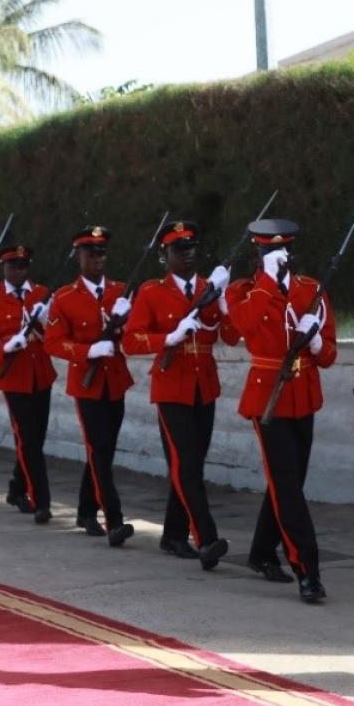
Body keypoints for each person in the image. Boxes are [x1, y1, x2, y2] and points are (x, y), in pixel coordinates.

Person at [229, 218, 337, 604]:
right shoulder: (243, 291)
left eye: (283, 250)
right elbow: (238, 326)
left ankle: (261, 551)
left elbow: (330, 355)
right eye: (268, 252)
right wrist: (268, 285)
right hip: (267, 397)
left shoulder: (311, 289)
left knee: (288, 483)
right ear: (258, 255)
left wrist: (317, 343)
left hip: (304, 393)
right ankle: (307, 570)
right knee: (288, 487)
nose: (279, 257)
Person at [122, 220, 234, 569]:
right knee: (186, 466)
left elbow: (229, 336)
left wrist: (225, 301)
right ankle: (206, 538)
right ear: (165, 255)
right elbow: (130, 340)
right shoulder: (152, 292)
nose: (187, 254)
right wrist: (168, 338)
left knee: (189, 466)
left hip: (204, 386)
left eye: (191, 248)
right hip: (171, 387)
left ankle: (172, 534)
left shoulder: (209, 288)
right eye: (179, 249)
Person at [45, 225, 136, 546]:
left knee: (104, 452)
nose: (97, 259)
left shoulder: (121, 291)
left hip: (116, 382)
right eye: (90, 253)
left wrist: (127, 320)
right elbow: (53, 343)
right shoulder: (65, 297)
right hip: (87, 385)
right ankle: (114, 520)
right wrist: (88, 351)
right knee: (98, 451)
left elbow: (134, 338)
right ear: (78, 256)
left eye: (101, 253)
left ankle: (85, 510)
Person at [0, 244, 57, 523]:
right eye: (13, 266)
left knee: (36, 439)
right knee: (28, 440)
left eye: (23, 266)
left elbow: (57, 331)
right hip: (14, 377)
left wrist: (47, 322)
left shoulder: (43, 294)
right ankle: (40, 500)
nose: (18, 271)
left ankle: (17, 488)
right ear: (3, 268)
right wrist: (4, 345)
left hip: (41, 373)